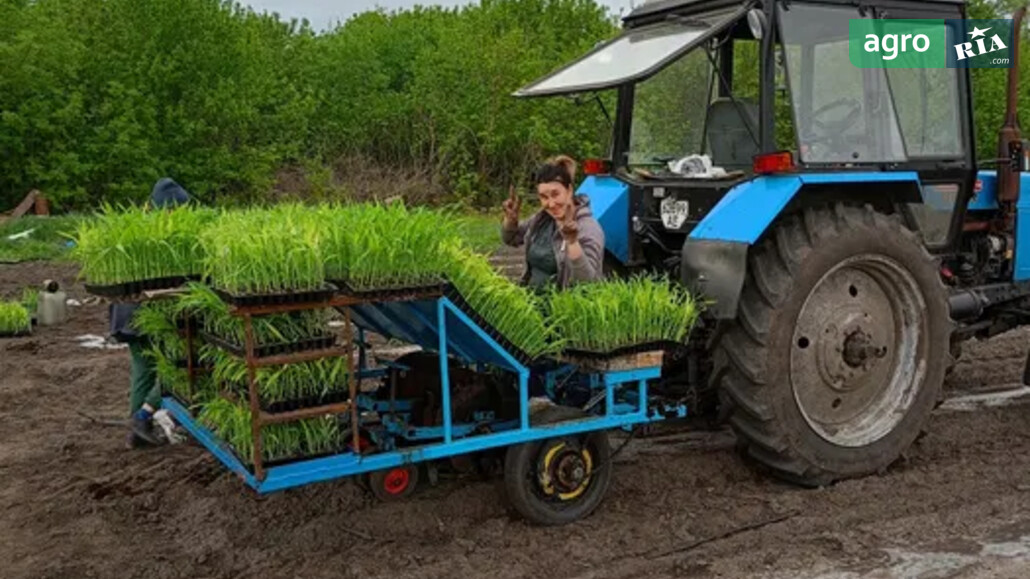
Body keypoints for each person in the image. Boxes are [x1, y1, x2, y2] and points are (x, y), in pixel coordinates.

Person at [111, 178, 192, 448]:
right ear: (170, 208)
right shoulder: (161, 236)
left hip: (124, 312)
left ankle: (138, 432)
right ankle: (144, 416)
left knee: (143, 370)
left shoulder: (137, 228)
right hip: (143, 313)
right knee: (175, 364)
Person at [501, 155, 605, 291]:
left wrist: (572, 242)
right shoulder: (542, 219)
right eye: (544, 197)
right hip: (529, 301)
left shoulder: (588, 228)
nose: (550, 204)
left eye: (556, 194)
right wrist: (510, 221)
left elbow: (588, 284)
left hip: (560, 307)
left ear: (569, 190)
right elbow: (511, 239)